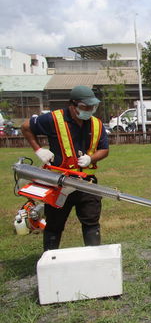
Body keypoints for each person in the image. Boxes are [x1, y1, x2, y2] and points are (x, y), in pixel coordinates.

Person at [21, 86, 109, 251]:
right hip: (59, 183)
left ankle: (94, 259)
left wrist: (92, 158)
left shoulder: (96, 124)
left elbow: (105, 149)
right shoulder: (53, 119)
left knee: (91, 223)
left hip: (87, 183)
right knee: (54, 224)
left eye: (92, 107)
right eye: (85, 107)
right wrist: (38, 150)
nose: (89, 110)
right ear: (73, 104)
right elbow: (26, 127)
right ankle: (50, 259)